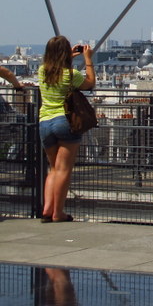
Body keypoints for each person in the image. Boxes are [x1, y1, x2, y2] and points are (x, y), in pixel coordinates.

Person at [38, 36, 95, 223]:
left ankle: (47, 208)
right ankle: (58, 212)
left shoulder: (41, 71)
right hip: (65, 122)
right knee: (64, 170)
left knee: (53, 169)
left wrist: (67, 56)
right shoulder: (71, 74)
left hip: (45, 122)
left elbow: (55, 67)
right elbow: (90, 83)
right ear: (65, 53)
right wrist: (87, 59)